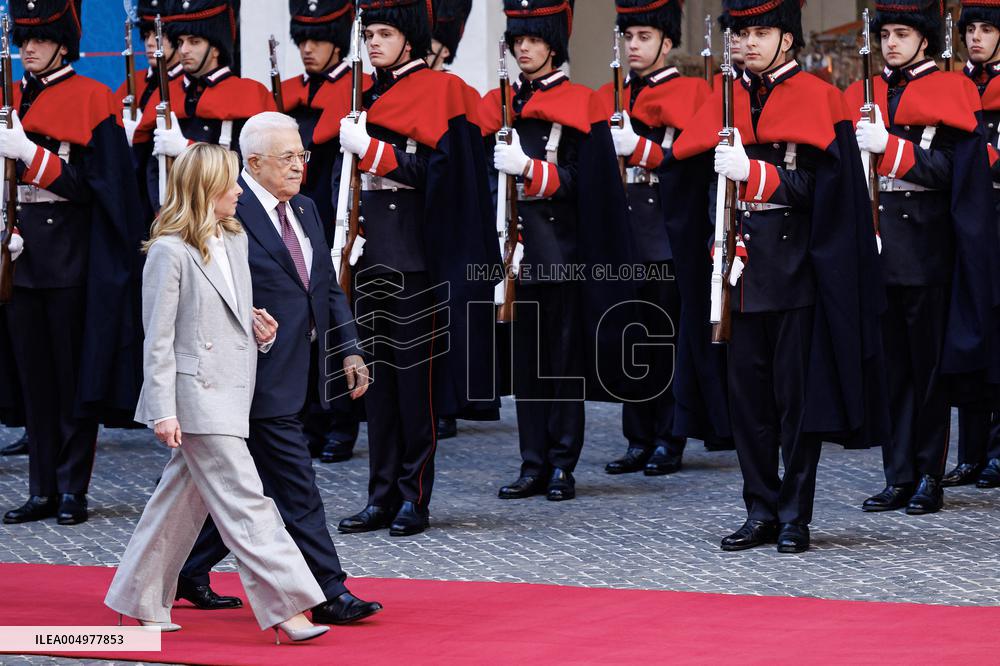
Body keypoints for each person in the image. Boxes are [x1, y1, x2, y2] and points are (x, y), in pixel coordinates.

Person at [673, 0, 886, 553]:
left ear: (787, 39)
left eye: (760, 32)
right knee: (749, 404)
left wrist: (759, 175)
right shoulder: (724, 97)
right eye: (740, 33)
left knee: (796, 403)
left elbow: (829, 196)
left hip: (797, 269)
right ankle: (759, 509)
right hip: (739, 270)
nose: (747, 43)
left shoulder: (819, 97)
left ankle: (794, 514)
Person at [104, 142, 329, 644]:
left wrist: (258, 329)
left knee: (177, 505)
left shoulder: (232, 240)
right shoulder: (168, 251)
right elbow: (158, 337)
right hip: (197, 399)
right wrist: (162, 410)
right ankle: (288, 608)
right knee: (250, 502)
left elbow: (227, 313)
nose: (237, 190)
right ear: (206, 189)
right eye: (229, 182)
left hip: (234, 390)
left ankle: (139, 603)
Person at [175, 113, 383, 625]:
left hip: (300, 371)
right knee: (295, 485)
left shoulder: (307, 208)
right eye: (287, 157)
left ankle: (187, 566)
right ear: (254, 163)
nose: (299, 165)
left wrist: (350, 348)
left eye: (301, 155)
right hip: (249, 376)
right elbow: (194, 283)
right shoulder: (226, 209)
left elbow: (326, 288)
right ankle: (328, 592)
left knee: (248, 486)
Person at [335, 0, 498, 537]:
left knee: (415, 388)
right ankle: (379, 493)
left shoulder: (443, 91)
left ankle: (413, 496)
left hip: (417, 260)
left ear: (410, 39)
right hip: (371, 256)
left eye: (385, 33)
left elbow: (443, 176)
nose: (374, 43)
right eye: (370, 34)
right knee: (373, 386)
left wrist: (374, 153)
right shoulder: (366, 91)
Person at [481, 0, 638, 503]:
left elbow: (581, 182)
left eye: (533, 39)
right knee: (525, 364)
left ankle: (562, 464)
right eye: (518, 40)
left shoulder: (580, 103)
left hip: (561, 253)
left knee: (562, 363)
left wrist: (528, 168)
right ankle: (532, 463)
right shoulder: (503, 101)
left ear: (553, 44)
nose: (523, 47)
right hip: (515, 250)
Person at [848, 0, 998, 515]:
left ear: (925, 40)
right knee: (891, 370)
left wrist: (889, 149)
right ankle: (898, 475)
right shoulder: (866, 93)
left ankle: (929, 475)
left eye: (902, 33)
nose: (891, 42)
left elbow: (953, 172)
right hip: (880, 247)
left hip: (928, 250)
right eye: (886, 33)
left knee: (928, 371)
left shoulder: (951, 89)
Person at [0, 0, 144, 527]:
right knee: (34, 380)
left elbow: (101, 189)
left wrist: (33, 157)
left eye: (39, 40)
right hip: (19, 255)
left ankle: (70, 489)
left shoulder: (92, 98)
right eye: (24, 40)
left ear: (64, 43)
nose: (28, 49)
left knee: (70, 379)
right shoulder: (10, 96)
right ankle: (41, 487)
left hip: (71, 257)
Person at [596, 0, 716, 478]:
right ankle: (638, 436)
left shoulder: (688, 93)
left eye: (644, 38)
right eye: (629, 38)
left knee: (666, 338)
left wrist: (641, 149)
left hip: (666, 233)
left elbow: (689, 166)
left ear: (667, 42)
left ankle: (671, 435)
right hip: (627, 233)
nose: (634, 46)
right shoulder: (615, 93)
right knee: (631, 335)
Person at [281, 0, 364, 464]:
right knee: (299, 324)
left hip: (329, 221)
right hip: (290, 218)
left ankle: (341, 424)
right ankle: (309, 420)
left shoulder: (350, 93)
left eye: (318, 40)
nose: (308, 49)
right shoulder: (295, 93)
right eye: (304, 40)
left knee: (334, 322)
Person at [140, 0, 276, 209]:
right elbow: (151, 172)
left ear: (215, 48)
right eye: (180, 42)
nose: (183, 50)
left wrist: (186, 150)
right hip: (176, 217)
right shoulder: (165, 93)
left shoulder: (250, 94)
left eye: (194, 42)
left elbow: (254, 170)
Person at [945, 0, 1000, 489]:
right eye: (971, 29)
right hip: (965, 224)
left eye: (986, 29)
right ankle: (972, 450)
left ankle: (998, 449)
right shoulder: (955, 84)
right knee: (968, 333)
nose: (976, 37)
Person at [116, 0, 185, 223]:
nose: (149, 43)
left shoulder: (187, 86)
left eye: (158, 37)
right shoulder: (133, 83)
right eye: (145, 36)